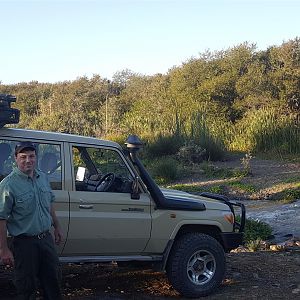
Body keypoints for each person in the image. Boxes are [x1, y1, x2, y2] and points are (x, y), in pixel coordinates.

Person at [0, 141, 63, 300]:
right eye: (23, 157)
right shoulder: (8, 185)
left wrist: (57, 227)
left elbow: (49, 204)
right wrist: (4, 249)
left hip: (45, 239)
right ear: (16, 158)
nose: (28, 160)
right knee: (27, 288)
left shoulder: (43, 178)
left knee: (53, 283)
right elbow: (1, 219)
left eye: (31, 156)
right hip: (24, 244)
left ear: (36, 157)